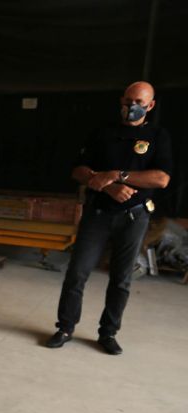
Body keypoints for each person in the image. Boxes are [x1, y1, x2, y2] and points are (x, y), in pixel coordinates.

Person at [46, 81, 171, 355]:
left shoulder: (157, 136)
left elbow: (161, 178)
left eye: (139, 102)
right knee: (77, 272)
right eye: (128, 101)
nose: (132, 107)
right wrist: (107, 185)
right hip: (98, 214)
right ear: (121, 101)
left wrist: (117, 175)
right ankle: (65, 327)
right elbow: (78, 170)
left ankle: (108, 333)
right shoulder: (102, 132)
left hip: (134, 217)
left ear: (150, 106)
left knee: (121, 279)